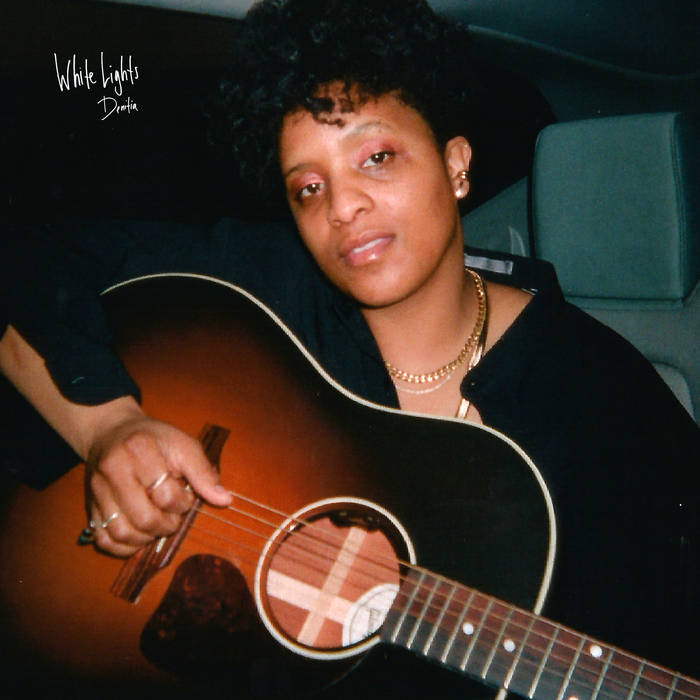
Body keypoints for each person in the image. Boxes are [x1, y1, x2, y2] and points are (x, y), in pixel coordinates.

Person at [1, 0, 697, 693]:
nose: (341, 206)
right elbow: (28, 269)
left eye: (377, 157)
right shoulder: (266, 294)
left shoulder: (599, 395)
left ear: (455, 163)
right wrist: (107, 426)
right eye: (308, 187)